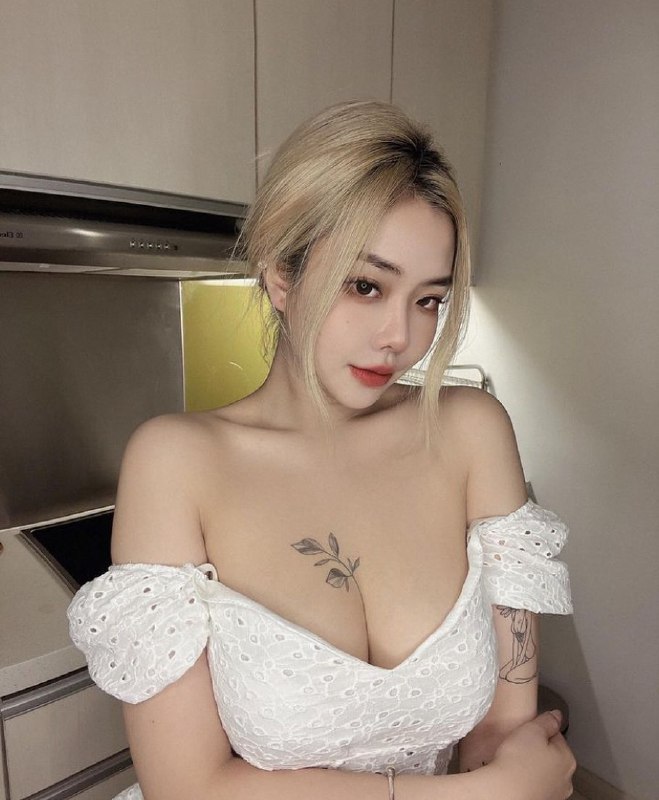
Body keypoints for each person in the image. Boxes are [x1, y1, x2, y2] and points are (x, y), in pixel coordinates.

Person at [68, 101, 576, 800]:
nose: (399, 336)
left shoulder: (471, 430)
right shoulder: (178, 463)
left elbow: (502, 735)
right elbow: (185, 787)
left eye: (428, 300)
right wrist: (482, 795)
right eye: (365, 286)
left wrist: (495, 784)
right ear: (281, 276)